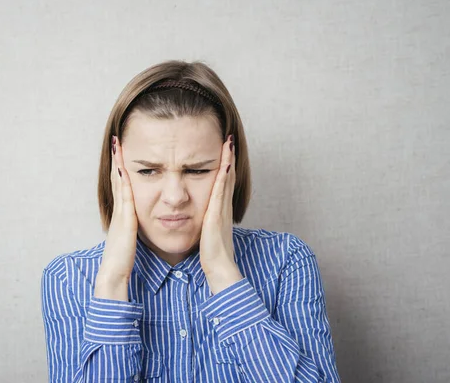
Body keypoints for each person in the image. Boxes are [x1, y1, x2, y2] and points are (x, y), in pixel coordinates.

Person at [41, 60, 341, 382]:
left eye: (196, 170)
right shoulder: (69, 278)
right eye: (147, 170)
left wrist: (224, 274)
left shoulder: (286, 262)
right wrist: (113, 282)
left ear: (230, 165)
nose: (174, 196)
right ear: (117, 168)